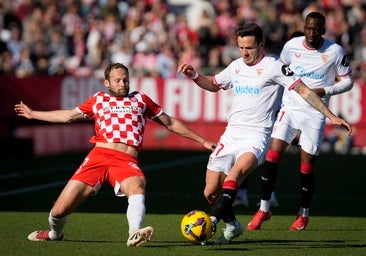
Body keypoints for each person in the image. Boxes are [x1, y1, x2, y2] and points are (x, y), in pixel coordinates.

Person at [177, 22, 352, 244]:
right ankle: (233, 225)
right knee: (210, 193)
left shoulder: (275, 67)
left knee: (235, 176)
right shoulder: (236, 66)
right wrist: (194, 75)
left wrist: (331, 115)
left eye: (249, 47)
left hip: (257, 137)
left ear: (261, 44)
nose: (245, 52)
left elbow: (305, 91)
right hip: (231, 135)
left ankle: (210, 221)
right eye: (241, 47)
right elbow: (213, 83)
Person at [14, 63, 216, 247]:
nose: (123, 84)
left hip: (125, 160)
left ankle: (134, 232)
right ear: (107, 82)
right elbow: (67, 116)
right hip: (98, 156)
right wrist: (34, 114)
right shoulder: (98, 100)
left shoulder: (140, 99)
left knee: (137, 185)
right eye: (118, 80)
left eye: (125, 80)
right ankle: (55, 234)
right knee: (59, 211)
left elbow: (170, 123)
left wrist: (203, 140)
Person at [247, 12, 354, 231]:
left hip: (315, 113)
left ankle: (303, 214)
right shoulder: (291, 47)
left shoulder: (334, 52)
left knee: (306, 167)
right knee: (272, 156)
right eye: (308, 29)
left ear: (323, 30)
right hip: (290, 107)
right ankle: (264, 209)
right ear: (304, 28)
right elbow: (280, 72)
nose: (312, 33)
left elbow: (349, 81)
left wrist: (325, 89)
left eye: (316, 30)